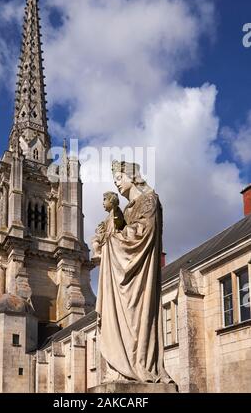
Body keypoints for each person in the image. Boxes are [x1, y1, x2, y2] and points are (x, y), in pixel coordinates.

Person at [94, 160, 172, 384]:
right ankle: (119, 367)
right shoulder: (126, 209)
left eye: (119, 178)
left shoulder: (149, 200)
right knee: (116, 315)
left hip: (139, 274)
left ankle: (138, 365)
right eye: (115, 180)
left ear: (131, 176)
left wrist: (113, 239)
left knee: (137, 321)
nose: (117, 184)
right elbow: (122, 230)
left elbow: (142, 234)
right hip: (123, 276)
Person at [91, 192, 124, 265]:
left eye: (105, 199)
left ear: (111, 201)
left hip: (112, 236)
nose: (103, 203)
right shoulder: (108, 217)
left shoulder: (116, 211)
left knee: (96, 239)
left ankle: (98, 253)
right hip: (106, 237)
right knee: (95, 239)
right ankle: (97, 253)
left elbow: (118, 221)